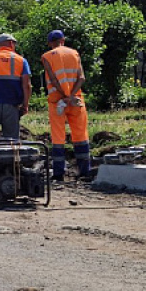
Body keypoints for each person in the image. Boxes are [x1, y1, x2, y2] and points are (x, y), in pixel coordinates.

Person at [41, 29, 90, 181]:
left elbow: (54, 80)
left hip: (57, 101)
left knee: (58, 136)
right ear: (63, 40)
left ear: (50, 43)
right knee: (80, 134)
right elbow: (81, 78)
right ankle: (85, 171)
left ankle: (58, 173)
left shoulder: (47, 56)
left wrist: (64, 96)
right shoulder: (74, 53)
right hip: (76, 100)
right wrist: (71, 95)